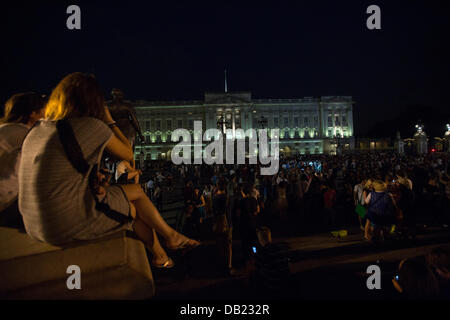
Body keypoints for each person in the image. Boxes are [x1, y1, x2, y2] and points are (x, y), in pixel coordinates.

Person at [18, 73, 199, 268]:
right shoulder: (92, 126)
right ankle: (165, 247)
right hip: (59, 224)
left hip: (31, 223)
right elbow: (127, 154)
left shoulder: (39, 128)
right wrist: (109, 120)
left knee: (135, 194)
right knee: (133, 208)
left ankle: (164, 250)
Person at [0, 92, 46, 228]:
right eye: (43, 110)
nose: (46, 115)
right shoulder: (24, 134)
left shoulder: (4, 129)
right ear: (32, 113)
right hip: (6, 203)